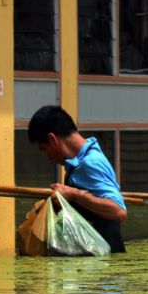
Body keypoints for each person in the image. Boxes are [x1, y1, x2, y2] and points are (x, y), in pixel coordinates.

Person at [28, 105, 127, 253]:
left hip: (106, 265)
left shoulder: (90, 163)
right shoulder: (78, 163)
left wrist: (74, 195)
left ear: (52, 139)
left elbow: (118, 211)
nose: (48, 157)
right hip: (93, 260)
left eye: (44, 148)